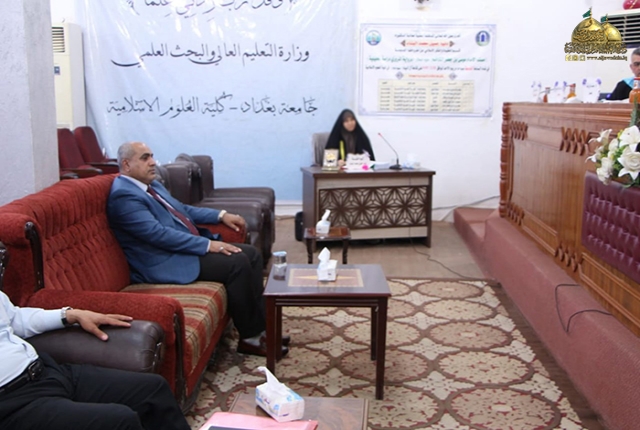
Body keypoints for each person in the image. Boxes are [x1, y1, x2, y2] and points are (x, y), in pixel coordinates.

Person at [107, 142, 288, 357]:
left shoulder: (151, 185)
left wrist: (221, 215)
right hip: (162, 260)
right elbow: (156, 234)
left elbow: (182, 210)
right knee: (236, 263)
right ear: (127, 164)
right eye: (145, 158)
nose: (153, 162)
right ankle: (250, 337)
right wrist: (207, 245)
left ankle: (263, 328)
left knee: (251, 254)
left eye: (152, 156)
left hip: (179, 250)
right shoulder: (124, 196)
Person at [0, 291, 190, 430]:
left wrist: (70, 315)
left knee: (152, 389)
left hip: (45, 372)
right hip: (12, 401)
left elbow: (14, 318)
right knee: (119, 420)